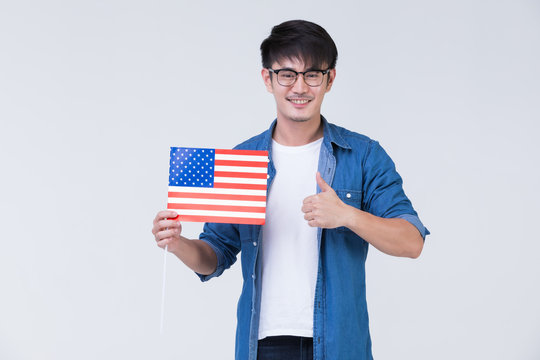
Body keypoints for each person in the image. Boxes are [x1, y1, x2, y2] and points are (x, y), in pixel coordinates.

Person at [152, 19, 429, 360]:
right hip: (263, 346)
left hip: (340, 345)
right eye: (287, 74)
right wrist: (178, 243)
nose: (300, 87)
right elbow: (215, 255)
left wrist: (347, 215)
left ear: (330, 80)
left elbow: (411, 242)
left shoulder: (363, 155)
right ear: (267, 78)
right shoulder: (242, 160)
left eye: (312, 74)